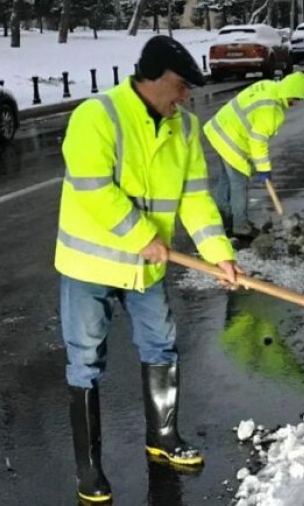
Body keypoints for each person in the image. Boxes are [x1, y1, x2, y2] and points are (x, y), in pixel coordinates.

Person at [54, 35, 242, 503]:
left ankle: (162, 439)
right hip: (91, 264)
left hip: (146, 269)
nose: (186, 97)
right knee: (86, 361)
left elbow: (195, 197)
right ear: (150, 78)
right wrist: (143, 238)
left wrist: (217, 251)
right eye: (180, 86)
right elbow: (93, 187)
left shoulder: (185, 128)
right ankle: (89, 468)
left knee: (161, 344)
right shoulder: (96, 116)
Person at [203, 71, 304, 239]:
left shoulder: (270, 86)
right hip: (231, 138)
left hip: (218, 129)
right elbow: (258, 142)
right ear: (290, 93)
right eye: (296, 99)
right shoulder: (271, 111)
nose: (296, 103)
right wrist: (264, 170)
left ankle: (222, 218)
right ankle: (240, 226)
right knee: (239, 183)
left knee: (226, 179)